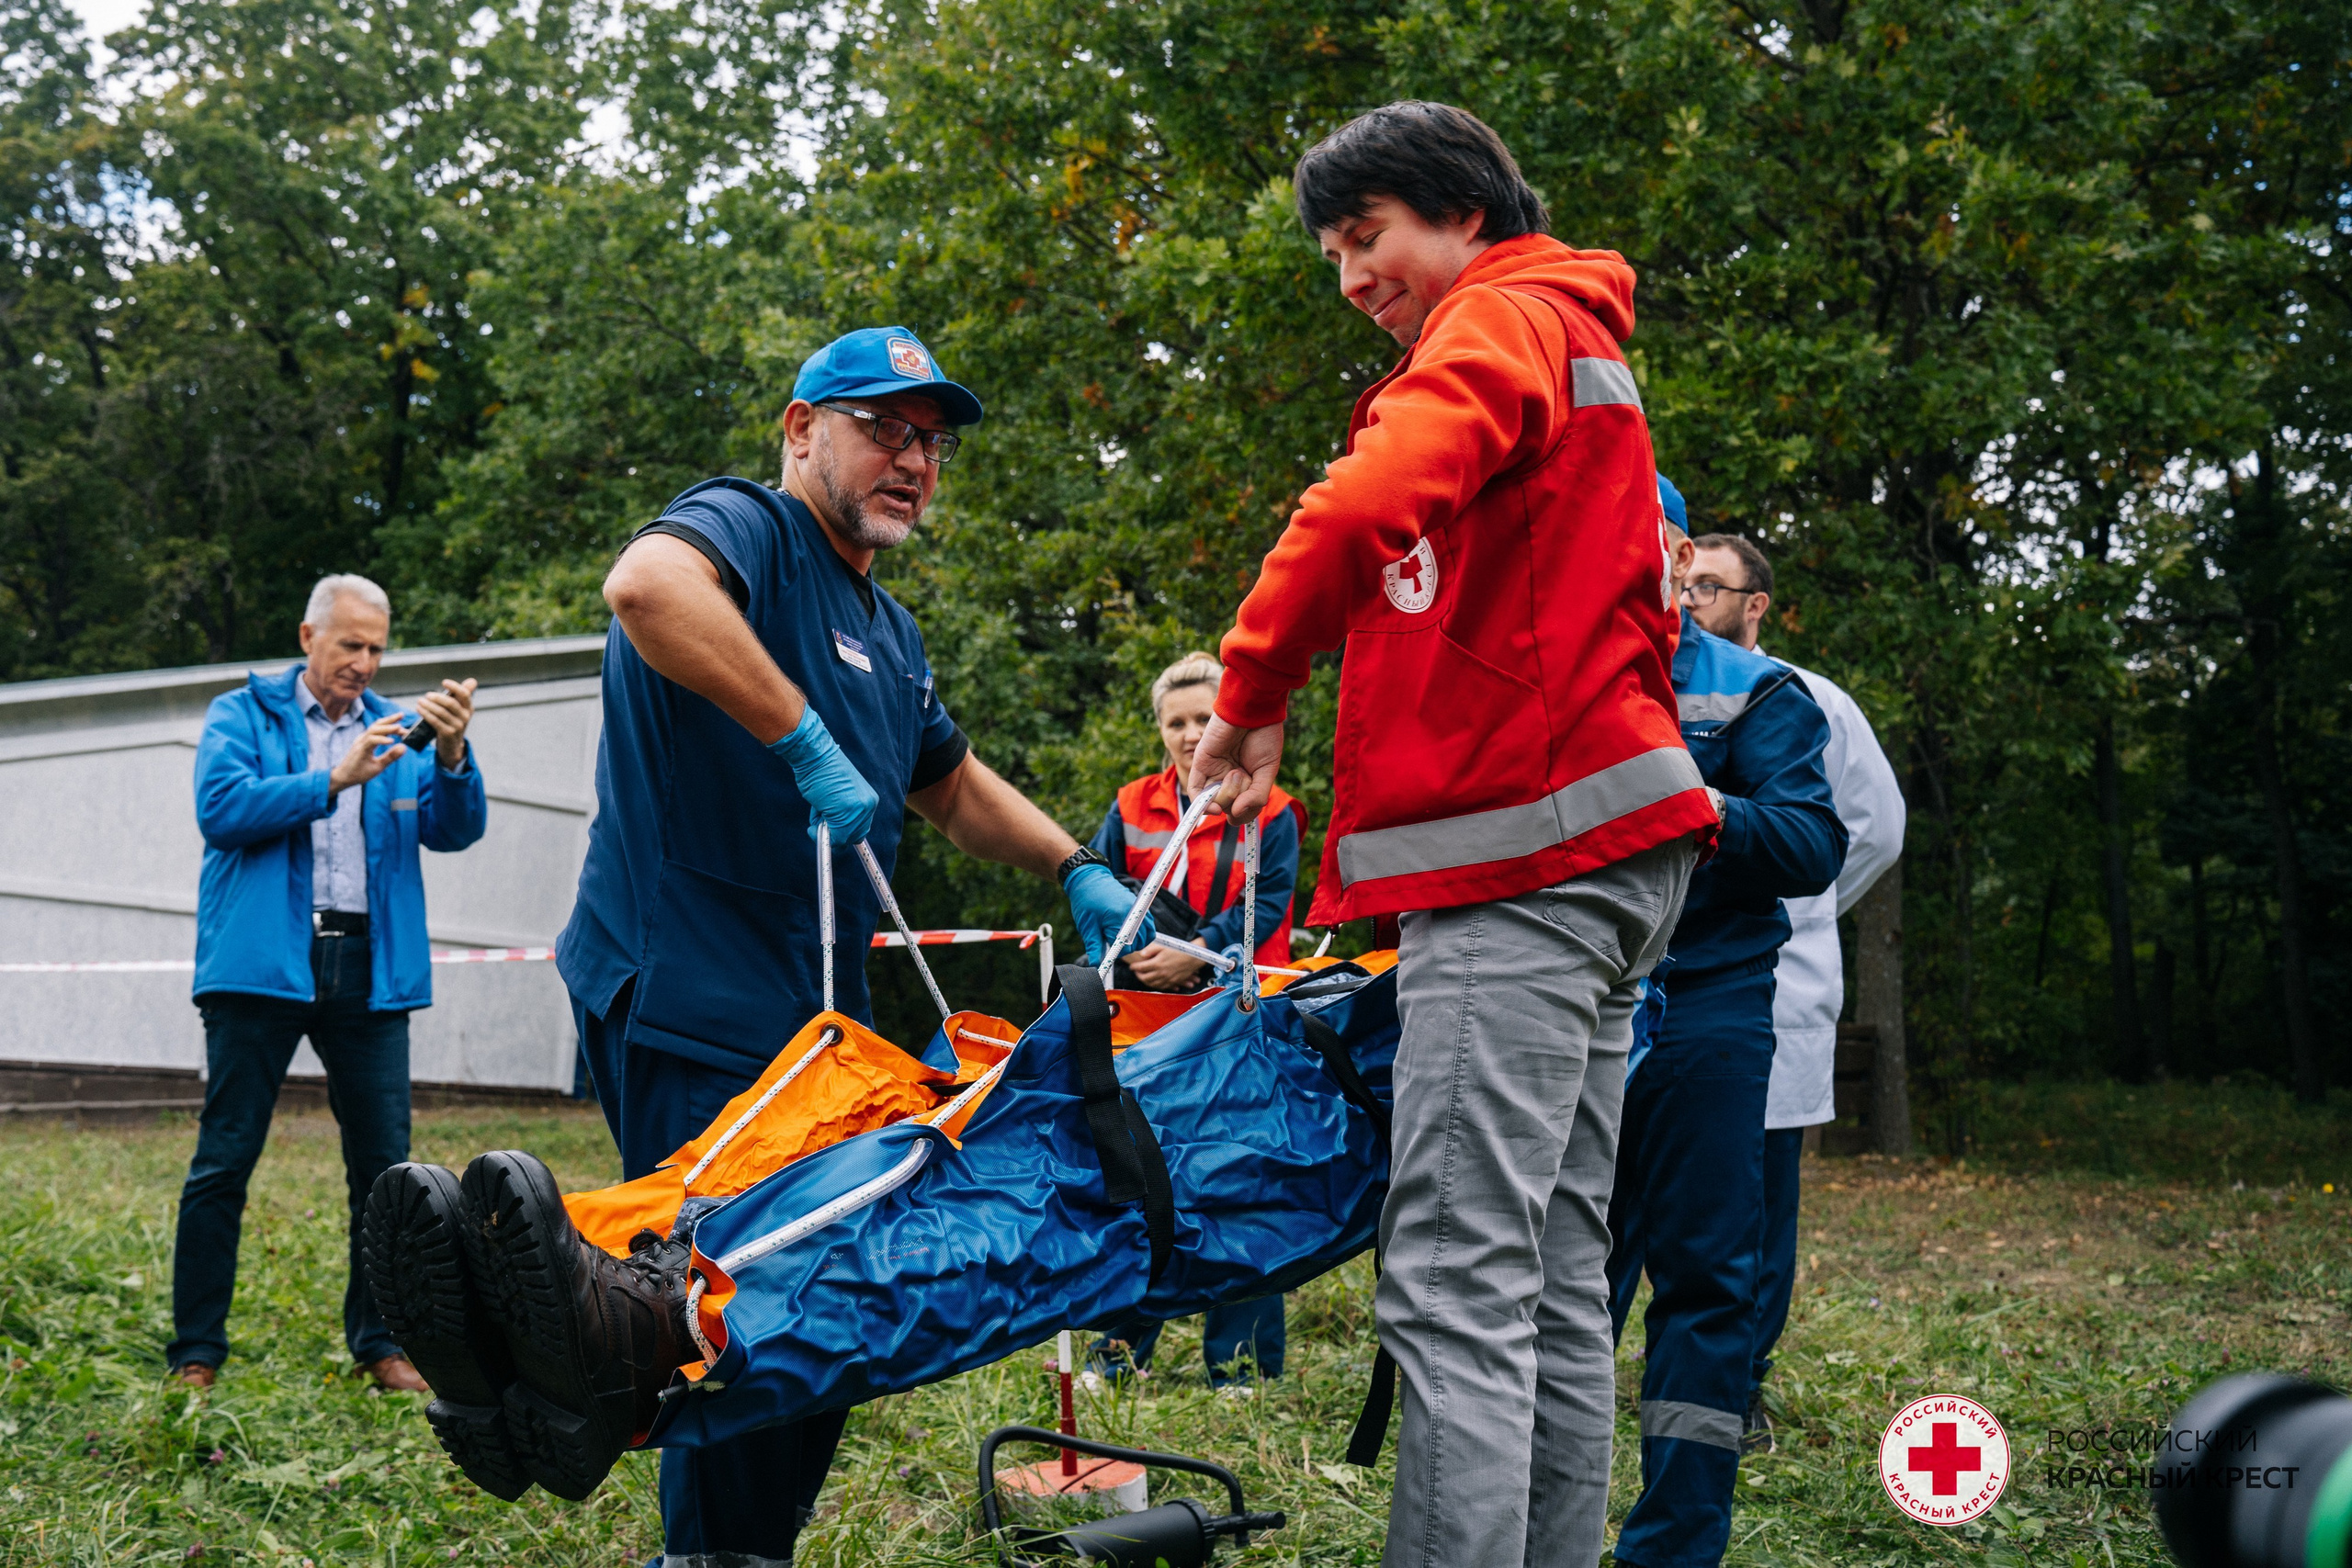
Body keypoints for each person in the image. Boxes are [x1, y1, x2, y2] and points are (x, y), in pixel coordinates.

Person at [364, 327, 1153, 1559]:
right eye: (884, 427)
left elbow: (950, 784)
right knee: (726, 1294)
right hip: (690, 975)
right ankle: (626, 1453)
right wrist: (798, 733)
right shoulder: (747, 526)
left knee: (812, 1303)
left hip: (817, 1025)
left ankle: (646, 1449)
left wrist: (1076, 863)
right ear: (801, 430)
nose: (915, 459)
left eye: (932, 440)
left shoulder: (890, 632)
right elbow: (646, 589)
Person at [1185, 102, 1719, 1568]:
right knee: (1548, 1269)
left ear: (1464, 212)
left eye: (1368, 238)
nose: (1353, 278)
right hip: (1602, 859)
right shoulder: (1561, 331)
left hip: (1530, 865)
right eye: (1335, 256)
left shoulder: (1504, 320)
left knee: (1452, 1272)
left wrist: (1254, 683)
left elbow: (1364, 500)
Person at [1602, 479, 1847, 1568]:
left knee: (1706, 1283)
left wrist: (1693, 809)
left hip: (1707, 1017)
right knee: (1552, 1279)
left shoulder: (1759, 695)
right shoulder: (1526, 687)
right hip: (1563, 1016)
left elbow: (1812, 845)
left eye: (1621, 534)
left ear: (1674, 550)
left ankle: (1672, 1547)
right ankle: (1522, 1531)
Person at [170, 574, 485, 1393]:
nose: (365, 662)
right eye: (351, 644)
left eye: (378, 647)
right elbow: (221, 809)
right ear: (308, 636)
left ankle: (381, 1342)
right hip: (263, 968)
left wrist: (450, 752)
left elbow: (456, 831)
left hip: (369, 968)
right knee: (224, 1160)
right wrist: (333, 780)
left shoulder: (398, 733)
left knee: (386, 1174)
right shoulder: (240, 714)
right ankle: (196, 1352)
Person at [1674, 528, 1905, 1450]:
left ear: (1755, 603)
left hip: (1775, 977)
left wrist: (1802, 904)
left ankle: (1740, 1391)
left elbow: (1875, 830)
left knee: (1757, 1203)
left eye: (1709, 588)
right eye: (1682, 586)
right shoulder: (1656, 686)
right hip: (1662, 981)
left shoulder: (1806, 698)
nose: (1690, 601)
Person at [1089, 650, 1306, 1386]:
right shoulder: (1126, 805)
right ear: (1159, 730)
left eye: (1204, 719)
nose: (1189, 734)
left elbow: (1272, 905)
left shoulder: (1273, 810)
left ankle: (1239, 1368)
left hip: (1238, 1018)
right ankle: (1116, 1355)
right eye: (1175, 722)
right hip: (1144, 1020)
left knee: (1244, 1181)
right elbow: (1101, 886)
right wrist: (1143, 957)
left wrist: (1200, 953)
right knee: (1136, 1178)